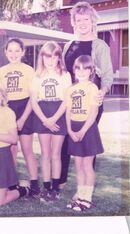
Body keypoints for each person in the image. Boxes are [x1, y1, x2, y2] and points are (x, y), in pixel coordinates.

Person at [59, 1, 113, 189]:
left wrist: (102, 93)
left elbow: (107, 75)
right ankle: (62, 181)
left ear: (92, 22)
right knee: (66, 138)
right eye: (78, 19)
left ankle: (86, 189)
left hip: (91, 102)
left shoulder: (100, 46)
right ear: (73, 22)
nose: (82, 23)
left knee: (88, 143)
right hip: (70, 101)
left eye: (86, 19)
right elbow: (65, 74)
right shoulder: (68, 46)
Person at [0, 38, 39, 195]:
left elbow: (33, 98)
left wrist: (22, 119)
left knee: (27, 148)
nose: (13, 54)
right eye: (10, 50)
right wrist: (8, 118)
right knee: (11, 149)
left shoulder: (29, 70)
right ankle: (12, 182)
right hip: (8, 110)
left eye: (17, 50)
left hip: (25, 108)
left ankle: (34, 183)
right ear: (6, 52)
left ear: (22, 52)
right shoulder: (0, 72)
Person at [31, 41, 72, 201]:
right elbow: (34, 101)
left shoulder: (65, 75)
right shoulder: (37, 76)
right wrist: (45, 120)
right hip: (42, 114)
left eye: (54, 57)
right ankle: (46, 186)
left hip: (58, 115)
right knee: (45, 154)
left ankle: (55, 188)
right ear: (42, 57)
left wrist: (54, 119)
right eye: (47, 57)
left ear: (58, 58)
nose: (50, 60)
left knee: (56, 154)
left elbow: (67, 100)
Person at [65, 55, 104, 211]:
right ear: (74, 70)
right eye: (78, 68)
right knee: (78, 165)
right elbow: (68, 111)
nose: (81, 72)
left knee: (87, 165)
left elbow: (93, 113)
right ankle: (80, 196)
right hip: (73, 129)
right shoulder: (70, 89)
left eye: (85, 68)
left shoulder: (92, 88)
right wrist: (69, 130)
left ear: (91, 71)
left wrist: (82, 130)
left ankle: (87, 198)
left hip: (88, 129)